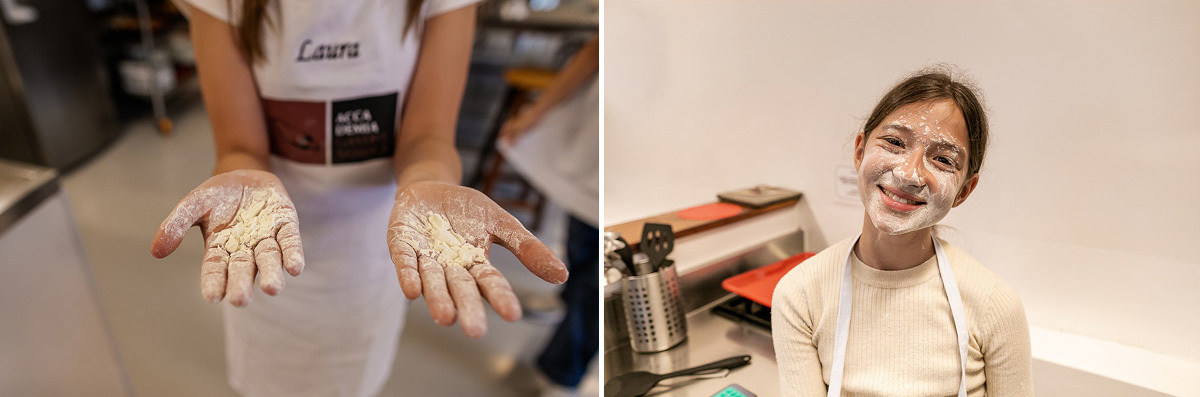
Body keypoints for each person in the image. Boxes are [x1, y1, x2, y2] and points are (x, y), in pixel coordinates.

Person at [148, 1, 568, 396]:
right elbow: (241, 146)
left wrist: (432, 183)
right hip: (262, 248)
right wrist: (241, 178)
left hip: (381, 248)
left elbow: (427, 137)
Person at [772, 70, 1033, 396]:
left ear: (964, 190)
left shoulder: (995, 306)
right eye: (894, 142)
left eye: (942, 159)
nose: (909, 174)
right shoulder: (800, 296)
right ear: (859, 151)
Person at [498, 36, 599, 396]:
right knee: (582, 248)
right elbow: (596, 49)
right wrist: (534, 114)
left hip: (641, 153)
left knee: (598, 279)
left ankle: (563, 372)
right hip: (596, 141)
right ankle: (565, 305)